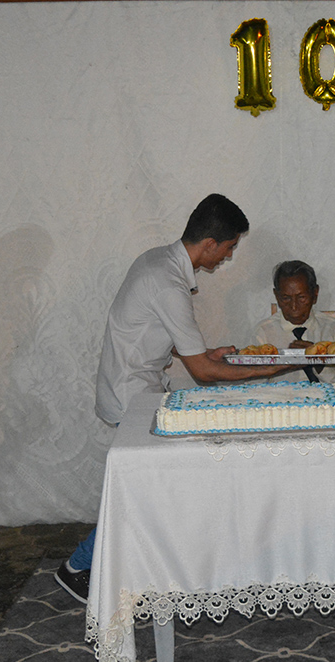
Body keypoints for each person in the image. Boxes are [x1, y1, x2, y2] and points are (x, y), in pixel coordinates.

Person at [55, 193, 282, 603]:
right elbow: (203, 373)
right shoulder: (168, 282)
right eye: (229, 248)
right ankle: (78, 567)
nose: (228, 257)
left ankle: (127, 563)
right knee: (142, 489)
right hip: (131, 395)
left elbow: (163, 334)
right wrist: (268, 369)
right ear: (210, 243)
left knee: (151, 486)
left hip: (136, 388)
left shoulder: (157, 261)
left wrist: (205, 352)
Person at [253, 260, 335, 386]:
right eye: (286, 298)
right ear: (276, 296)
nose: (294, 307)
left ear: (315, 294)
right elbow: (255, 385)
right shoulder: (264, 332)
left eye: (301, 297)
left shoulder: (332, 329)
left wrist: (318, 362)